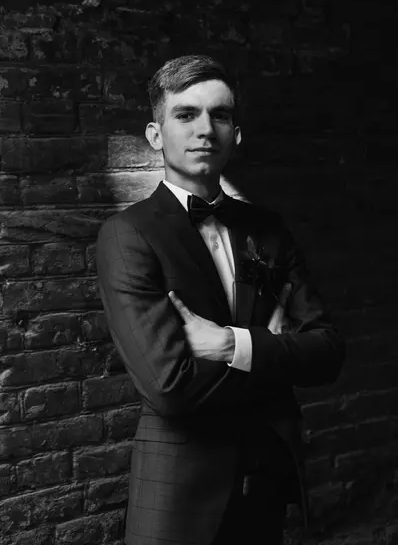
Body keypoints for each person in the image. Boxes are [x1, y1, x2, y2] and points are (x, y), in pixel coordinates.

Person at [96, 54, 345, 545]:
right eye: (186, 114)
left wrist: (232, 345)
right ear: (155, 135)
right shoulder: (127, 235)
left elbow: (329, 351)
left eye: (220, 115)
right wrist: (273, 352)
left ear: (236, 134)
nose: (205, 130)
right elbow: (170, 388)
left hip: (266, 480)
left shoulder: (269, 230)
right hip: (179, 493)